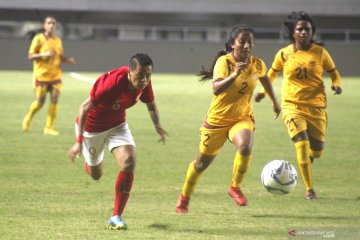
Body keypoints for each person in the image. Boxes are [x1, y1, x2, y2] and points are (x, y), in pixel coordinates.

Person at [175, 24, 281, 214]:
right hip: (217, 121)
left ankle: (234, 186)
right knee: (200, 165)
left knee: (246, 146)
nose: (247, 45)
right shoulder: (224, 62)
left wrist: (274, 101)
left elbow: (265, 79)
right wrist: (235, 74)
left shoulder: (257, 64)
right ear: (233, 44)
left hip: (241, 118)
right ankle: (184, 197)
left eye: (250, 42)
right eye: (242, 41)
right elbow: (216, 89)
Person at [67, 53, 168, 230]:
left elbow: (151, 105)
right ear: (130, 73)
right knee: (96, 175)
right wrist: (79, 141)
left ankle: (116, 216)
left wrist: (158, 126)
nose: (144, 80)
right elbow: (83, 108)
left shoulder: (144, 82)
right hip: (92, 128)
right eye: (140, 76)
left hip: (117, 125)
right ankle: (90, 161)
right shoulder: (111, 84)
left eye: (148, 75)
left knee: (129, 161)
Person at [254, 11, 342, 200]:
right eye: (300, 29)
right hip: (292, 106)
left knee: (317, 152)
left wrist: (336, 84)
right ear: (293, 32)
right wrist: (262, 93)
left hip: (316, 108)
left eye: (307, 30)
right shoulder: (284, 54)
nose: (304, 32)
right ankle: (310, 189)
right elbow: (271, 74)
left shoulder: (320, 52)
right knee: (301, 144)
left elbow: (334, 72)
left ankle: (310, 159)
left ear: (312, 32)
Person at [22, 16, 76, 135]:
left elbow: (59, 57)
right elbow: (30, 56)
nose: (51, 25)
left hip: (55, 75)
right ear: (44, 26)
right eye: (49, 23)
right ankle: (29, 117)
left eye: (53, 23)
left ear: (55, 26)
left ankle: (49, 128)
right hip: (41, 75)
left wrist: (67, 60)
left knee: (55, 100)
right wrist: (44, 54)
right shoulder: (39, 38)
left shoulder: (58, 40)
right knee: (40, 102)